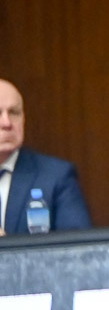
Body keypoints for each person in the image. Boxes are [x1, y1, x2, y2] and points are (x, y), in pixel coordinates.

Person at [0, 78, 92, 236]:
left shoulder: (56, 176)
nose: (7, 123)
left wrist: (7, 246)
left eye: (14, 113)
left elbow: (78, 245)